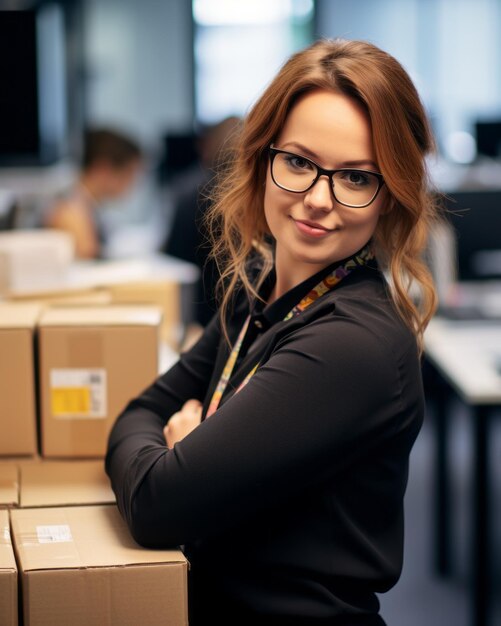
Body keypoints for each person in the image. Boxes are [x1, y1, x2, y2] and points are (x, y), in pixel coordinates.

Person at [106, 38, 438, 625]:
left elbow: (156, 504)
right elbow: (138, 412)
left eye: (356, 178)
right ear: (265, 158)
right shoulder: (258, 286)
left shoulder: (351, 345)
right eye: (299, 162)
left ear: (390, 196)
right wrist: (172, 455)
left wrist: (183, 450)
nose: (316, 200)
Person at [163, 116, 241, 326]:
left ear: (207, 146)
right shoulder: (252, 196)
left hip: (196, 311)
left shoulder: (189, 191)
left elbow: (173, 256)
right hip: (237, 312)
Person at [43, 127, 143, 259]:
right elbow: (87, 257)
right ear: (103, 168)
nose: (133, 183)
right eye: (130, 174)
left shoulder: (87, 204)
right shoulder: (69, 209)